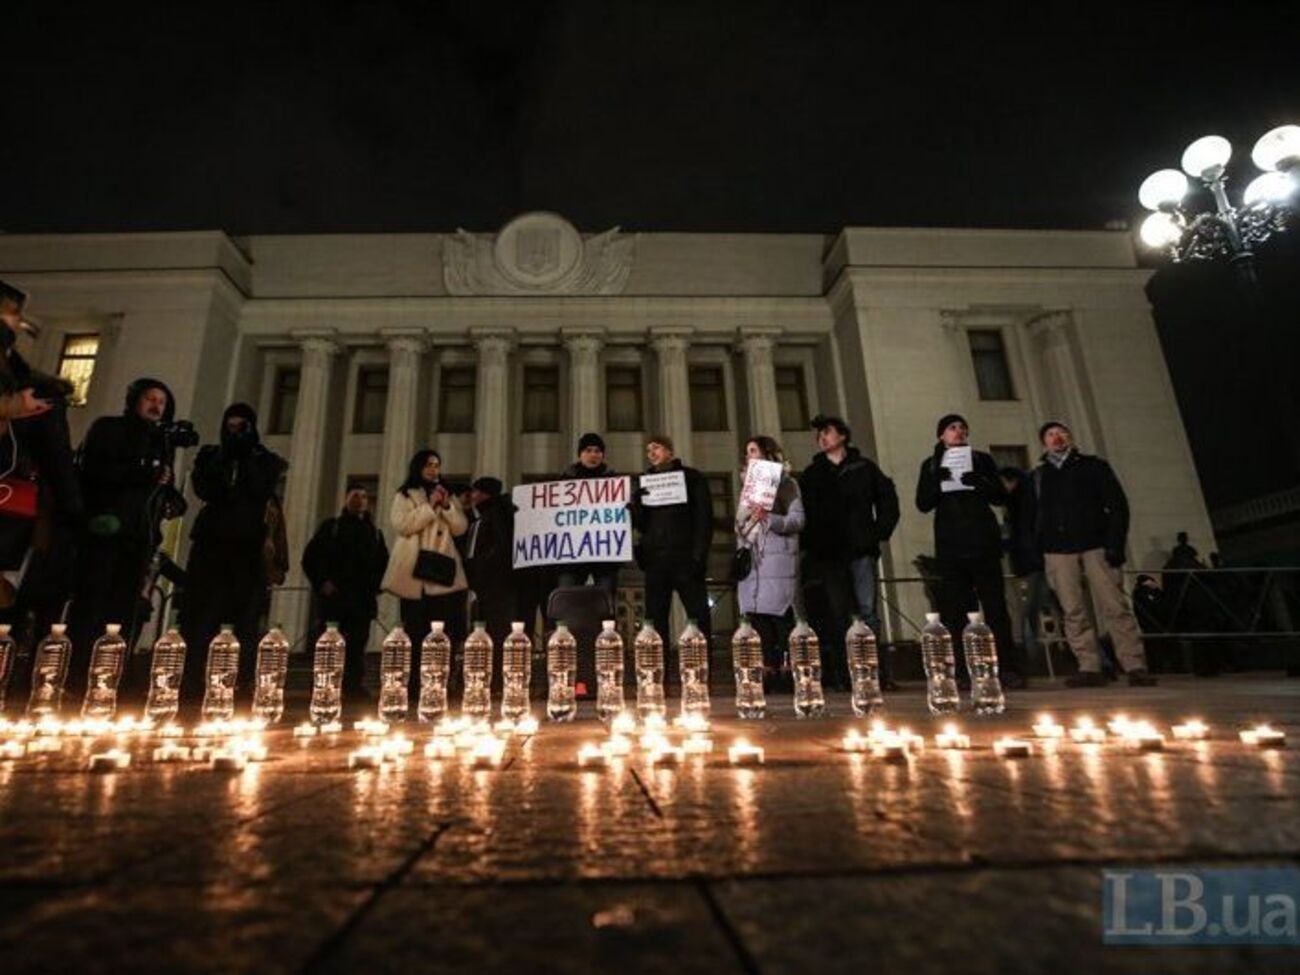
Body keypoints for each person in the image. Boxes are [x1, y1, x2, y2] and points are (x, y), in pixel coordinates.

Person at [68, 378, 188, 693]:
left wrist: (170, 496)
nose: (156, 405)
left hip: (140, 535)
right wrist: (142, 473)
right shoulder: (109, 428)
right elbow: (95, 471)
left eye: (161, 401)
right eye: (150, 398)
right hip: (106, 529)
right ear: (135, 400)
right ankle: (77, 670)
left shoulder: (160, 440)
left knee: (124, 606)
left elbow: (155, 485)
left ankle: (111, 674)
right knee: (93, 600)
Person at [1033, 421, 1156, 687]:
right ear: (1044, 443)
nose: (1057, 438)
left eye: (1062, 433)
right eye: (1051, 435)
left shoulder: (1094, 466)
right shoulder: (1039, 476)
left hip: (1095, 544)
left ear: (1070, 437)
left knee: (1114, 605)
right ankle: (1089, 666)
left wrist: (1115, 543)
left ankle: (1134, 664)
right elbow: (1033, 516)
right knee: (1072, 609)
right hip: (1057, 549)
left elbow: (1118, 506)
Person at [180, 403, 287, 703]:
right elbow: (205, 488)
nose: (236, 432)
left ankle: (241, 684)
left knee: (246, 619)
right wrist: (227, 454)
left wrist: (246, 454)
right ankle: (192, 682)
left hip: (249, 548)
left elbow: (260, 490)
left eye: (243, 427)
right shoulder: (211, 455)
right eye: (231, 426)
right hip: (211, 545)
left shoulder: (265, 460)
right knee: (202, 615)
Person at [0, 281, 84, 651]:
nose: (19, 322)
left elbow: (54, 454)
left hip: (17, 497)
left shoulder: (17, 370)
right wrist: (13, 406)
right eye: (13, 312)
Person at [915, 414, 1025, 688]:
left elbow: (1000, 496)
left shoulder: (982, 460)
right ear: (941, 435)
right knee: (956, 610)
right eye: (952, 428)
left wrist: (981, 481)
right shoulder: (930, 465)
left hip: (983, 543)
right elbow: (923, 503)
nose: (959, 432)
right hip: (951, 546)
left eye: (963, 428)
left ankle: (1006, 666)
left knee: (996, 608)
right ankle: (964, 669)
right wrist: (936, 483)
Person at [800, 414, 899, 690]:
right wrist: (811, 546)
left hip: (860, 548)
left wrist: (878, 532)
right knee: (839, 612)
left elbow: (887, 498)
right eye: (819, 434)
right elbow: (805, 513)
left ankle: (876, 673)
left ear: (842, 436)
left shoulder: (863, 468)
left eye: (827, 432)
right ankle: (846, 673)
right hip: (829, 553)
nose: (822, 437)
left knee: (867, 611)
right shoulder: (813, 474)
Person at [381, 449, 469, 696]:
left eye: (437, 465)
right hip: (415, 574)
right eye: (429, 464)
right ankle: (412, 687)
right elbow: (403, 525)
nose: (434, 469)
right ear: (418, 467)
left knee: (442, 633)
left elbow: (461, 527)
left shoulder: (447, 493)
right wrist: (429, 507)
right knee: (415, 632)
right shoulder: (405, 494)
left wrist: (448, 506)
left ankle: (438, 684)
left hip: (442, 572)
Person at [301, 484, 389, 703]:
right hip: (335, 598)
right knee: (329, 644)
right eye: (355, 496)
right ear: (345, 499)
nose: (360, 500)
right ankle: (323, 685)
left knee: (357, 645)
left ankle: (352, 686)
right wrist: (322, 583)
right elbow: (311, 557)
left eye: (364, 496)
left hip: (362, 599)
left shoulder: (374, 533)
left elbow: (383, 564)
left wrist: (377, 587)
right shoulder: (332, 527)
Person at [630, 434, 713, 664]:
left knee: (698, 617)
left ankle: (703, 673)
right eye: (648, 450)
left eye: (656, 448)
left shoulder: (692, 478)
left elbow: (704, 519)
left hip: (686, 559)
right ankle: (659, 677)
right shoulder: (646, 483)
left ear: (669, 451)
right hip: (656, 561)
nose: (652, 453)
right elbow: (641, 525)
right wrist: (636, 506)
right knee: (655, 622)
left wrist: (699, 556)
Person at [735, 437, 805, 687]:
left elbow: (797, 521)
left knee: (780, 619)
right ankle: (766, 673)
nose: (748, 456)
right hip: (754, 563)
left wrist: (770, 518)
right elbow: (741, 525)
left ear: (767, 453)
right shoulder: (748, 489)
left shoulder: (787, 485)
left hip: (777, 563)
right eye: (747, 451)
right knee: (759, 621)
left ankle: (787, 673)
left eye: (753, 450)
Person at [1000, 466, 1058, 672]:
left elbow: (1023, 533)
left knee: (1028, 611)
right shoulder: (1023, 501)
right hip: (1033, 560)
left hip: (1031, 563)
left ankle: (1031, 657)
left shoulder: (1021, 502)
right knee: (1049, 609)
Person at [555, 432, 621, 602]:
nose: (593, 455)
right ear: (580, 454)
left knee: (605, 602)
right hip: (571, 553)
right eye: (588, 450)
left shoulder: (615, 482)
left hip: (605, 553)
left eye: (598, 451)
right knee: (567, 600)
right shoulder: (564, 481)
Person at [462, 476, 515, 651]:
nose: (472, 495)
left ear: (486, 494)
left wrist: (483, 568)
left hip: (493, 581)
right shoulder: (481, 516)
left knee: (494, 625)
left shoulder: (496, 513)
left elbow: (501, 544)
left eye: (476, 491)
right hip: (482, 580)